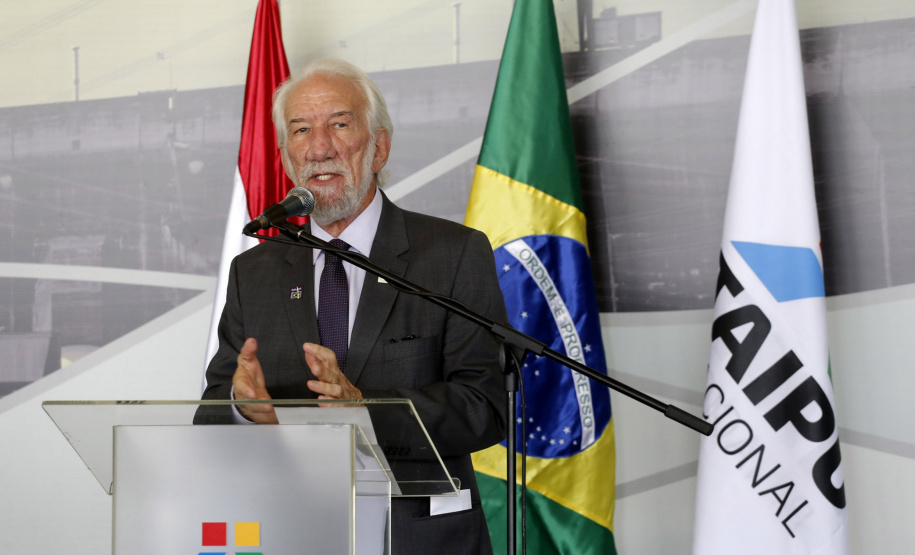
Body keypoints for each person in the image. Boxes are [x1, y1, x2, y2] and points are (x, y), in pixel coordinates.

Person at [199, 58, 508, 554]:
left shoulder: (452, 254)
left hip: (419, 537)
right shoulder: (254, 272)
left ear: (379, 147)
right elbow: (213, 409)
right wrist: (244, 410)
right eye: (301, 130)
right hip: (291, 533)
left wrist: (364, 412)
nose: (319, 147)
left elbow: (485, 405)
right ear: (286, 158)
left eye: (339, 124)